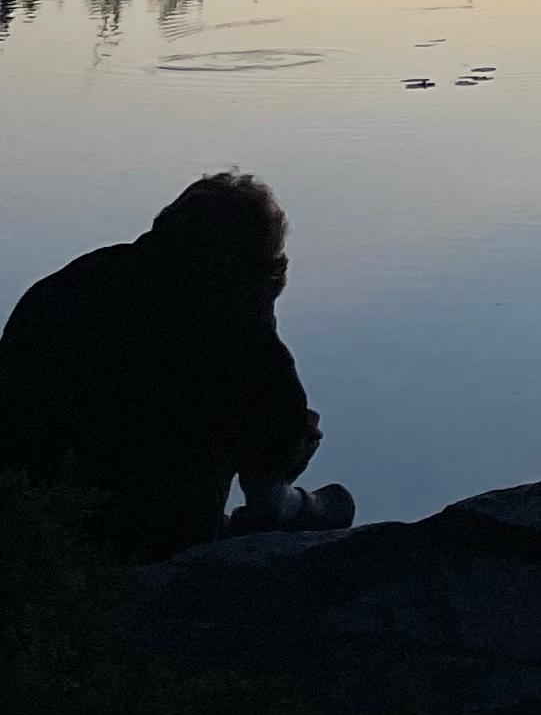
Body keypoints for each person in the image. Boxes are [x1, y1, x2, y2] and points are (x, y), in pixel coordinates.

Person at [0, 171, 354, 558]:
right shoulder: (236, 332)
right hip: (149, 542)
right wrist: (261, 316)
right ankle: (270, 520)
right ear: (251, 271)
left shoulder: (67, 288)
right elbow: (276, 460)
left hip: (23, 517)